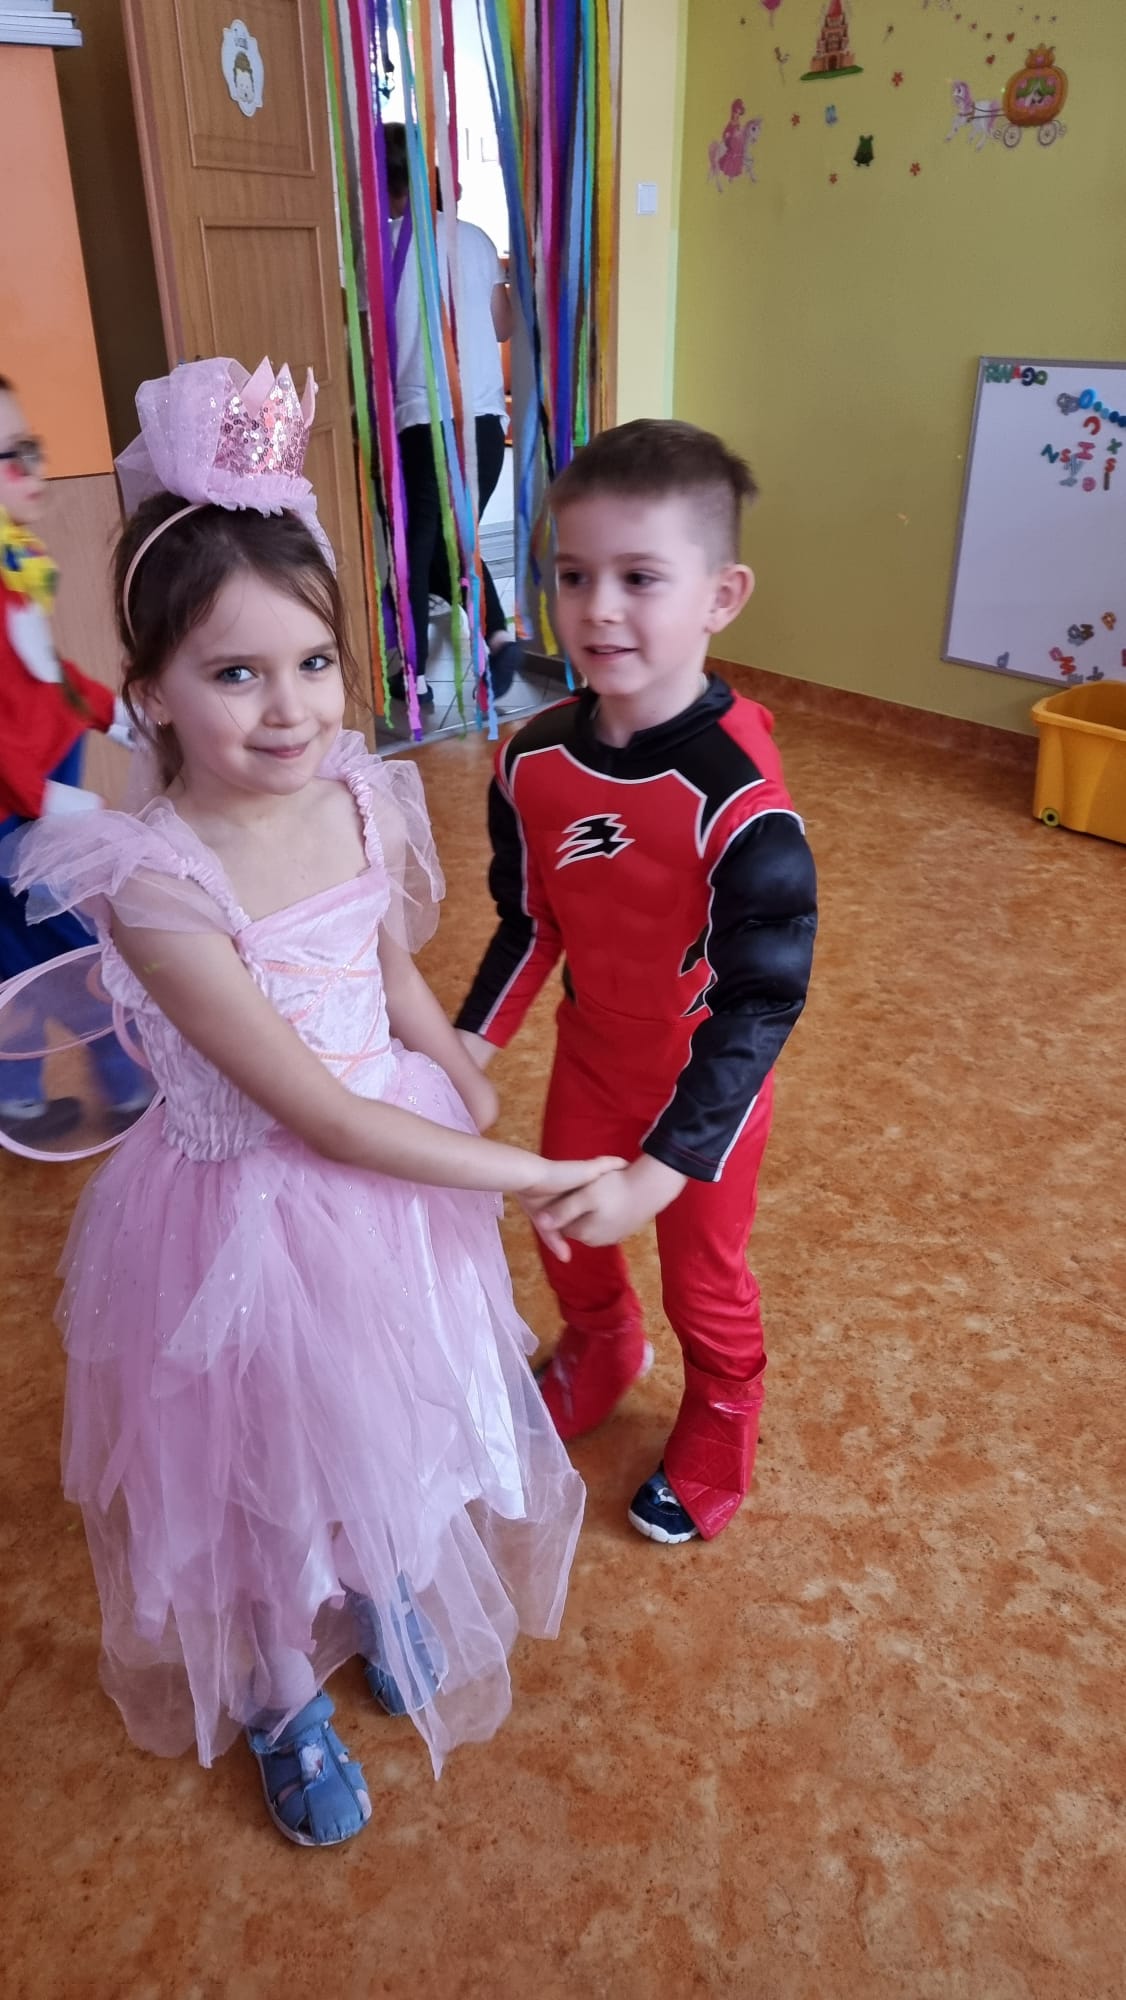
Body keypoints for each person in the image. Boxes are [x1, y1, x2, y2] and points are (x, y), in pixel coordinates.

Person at [1, 357, 619, 1849]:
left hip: (390, 1179)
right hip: (252, 1218)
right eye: (234, 674)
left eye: (315, 662)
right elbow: (319, 1116)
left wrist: (451, 1055)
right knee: (266, 1473)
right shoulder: (155, 881)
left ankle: (387, 1579)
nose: (290, 710)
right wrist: (528, 1172)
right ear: (149, 691)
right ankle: (280, 1689)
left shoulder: (353, 787)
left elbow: (379, 957)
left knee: (392, 1415)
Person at [456, 419, 818, 1547]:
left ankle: (723, 1404)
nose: (598, 608)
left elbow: (763, 1002)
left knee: (702, 1269)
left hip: (707, 1085)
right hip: (593, 1054)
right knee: (563, 1226)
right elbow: (530, 920)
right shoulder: (531, 759)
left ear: (721, 596)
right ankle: (601, 1342)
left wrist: (661, 1170)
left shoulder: (742, 797)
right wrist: (464, 1046)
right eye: (574, 575)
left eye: (639, 578)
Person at [0, 373, 143, 1143]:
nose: (33, 467)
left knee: (21, 951)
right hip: (19, 810)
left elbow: (46, 678)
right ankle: (133, 1083)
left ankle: (18, 1095)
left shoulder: (14, 567)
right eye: (10, 455)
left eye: (31, 446)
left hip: (42, 787)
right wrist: (51, 804)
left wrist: (116, 716)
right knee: (71, 947)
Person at [383, 123, 524, 710]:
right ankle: (498, 638)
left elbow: (369, 340)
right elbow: (502, 326)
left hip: (421, 420)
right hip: (485, 423)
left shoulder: (380, 244)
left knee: (416, 545)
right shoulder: (476, 239)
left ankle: (412, 672)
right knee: (455, 539)